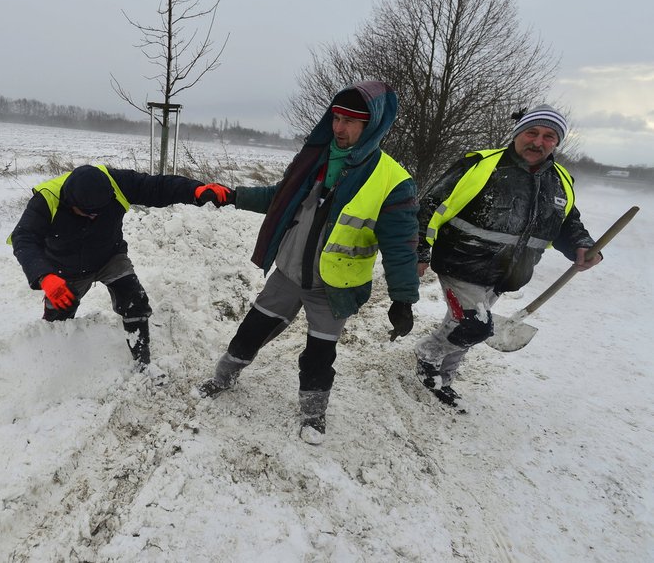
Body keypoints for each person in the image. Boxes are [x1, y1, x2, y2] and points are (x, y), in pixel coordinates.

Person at [196, 81, 420, 445]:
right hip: (287, 274)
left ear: (373, 125)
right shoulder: (313, 158)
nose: (339, 128)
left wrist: (403, 298)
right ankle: (222, 378)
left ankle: (314, 414)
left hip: (334, 287)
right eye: (336, 117)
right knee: (250, 332)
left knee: (318, 355)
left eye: (350, 121)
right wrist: (233, 196)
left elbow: (400, 245)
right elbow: (278, 197)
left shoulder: (393, 180)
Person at [414, 104, 603, 409]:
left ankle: (443, 377)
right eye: (532, 132)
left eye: (549, 136)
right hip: (462, 263)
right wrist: (419, 250)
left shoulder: (560, 181)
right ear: (518, 132)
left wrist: (582, 245)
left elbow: (567, 224)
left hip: (507, 274)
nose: (538, 142)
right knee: (476, 325)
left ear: (557, 143)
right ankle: (429, 354)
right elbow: (430, 205)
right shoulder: (482, 165)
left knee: (467, 324)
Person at [9, 164, 232, 369]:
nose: (95, 217)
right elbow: (23, 238)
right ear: (71, 203)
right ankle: (53, 364)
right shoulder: (47, 199)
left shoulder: (115, 182)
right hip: (63, 268)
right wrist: (44, 276)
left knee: (135, 301)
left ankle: (142, 362)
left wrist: (195, 190)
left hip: (109, 256)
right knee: (58, 316)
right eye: (89, 213)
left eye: (100, 211)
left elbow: (157, 187)